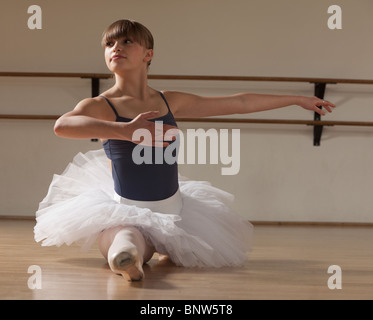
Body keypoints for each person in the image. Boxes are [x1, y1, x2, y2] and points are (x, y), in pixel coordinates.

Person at [34, 19, 335, 281]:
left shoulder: (168, 101)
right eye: (109, 43)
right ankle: (125, 257)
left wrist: (296, 99)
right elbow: (63, 125)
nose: (116, 47)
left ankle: (149, 250)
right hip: (125, 206)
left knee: (171, 246)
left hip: (174, 206)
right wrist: (123, 131)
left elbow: (238, 103)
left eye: (127, 41)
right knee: (127, 237)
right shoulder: (101, 105)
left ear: (148, 54)